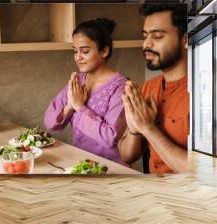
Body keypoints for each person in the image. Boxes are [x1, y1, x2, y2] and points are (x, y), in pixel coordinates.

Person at [44, 18, 128, 165]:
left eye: (85, 51)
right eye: (75, 51)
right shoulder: (77, 81)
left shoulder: (121, 88)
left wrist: (80, 107)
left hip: (110, 169)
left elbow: (110, 137)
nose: (78, 57)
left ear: (104, 51)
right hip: (80, 164)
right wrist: (70, 107)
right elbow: (49, 123)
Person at [118, 4, 189, 175]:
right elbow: (127, 155)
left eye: (157, 36)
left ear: (185, 40)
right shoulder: (148, 87)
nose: (146, 44)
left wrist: (149, 128)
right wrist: (134, 128)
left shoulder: (206, 94)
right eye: (145, 36)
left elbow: (206, 171)